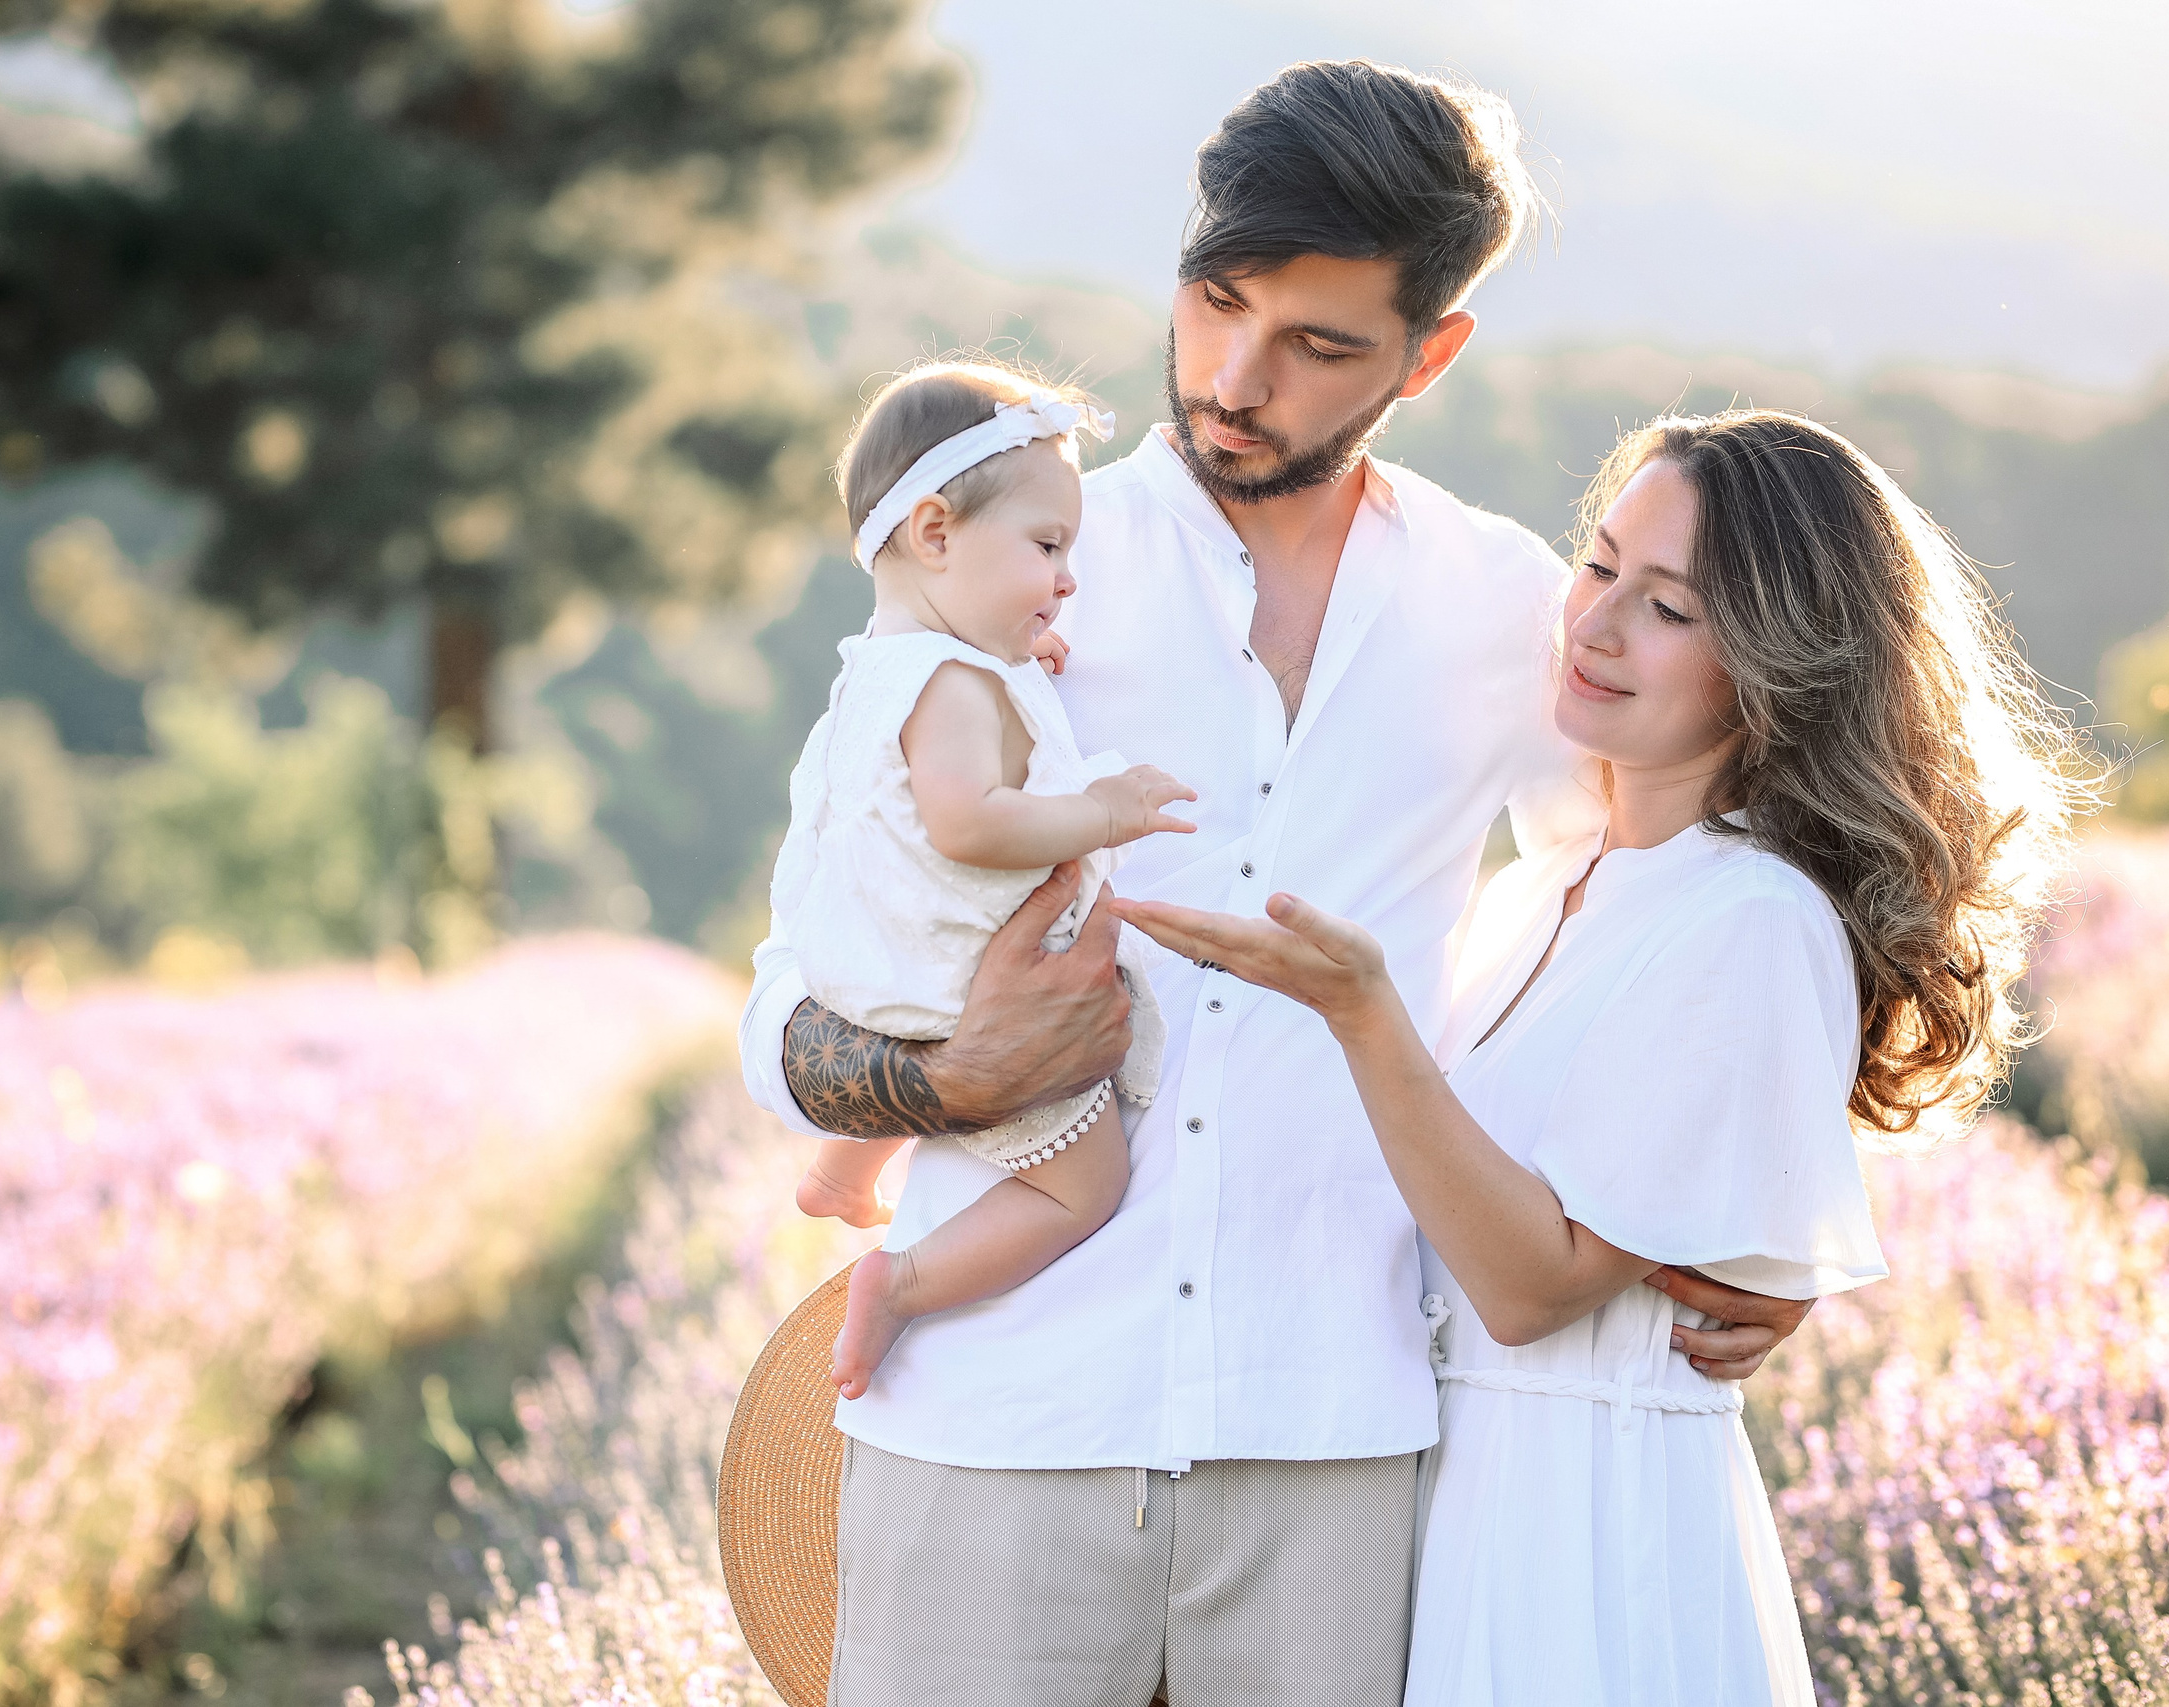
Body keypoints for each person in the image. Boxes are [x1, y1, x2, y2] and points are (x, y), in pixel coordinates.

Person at [740, 60, 1820, 1707]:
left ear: (1429, 353)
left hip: (1339, 1449)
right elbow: (786, 998)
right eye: (1217, 302)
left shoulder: (1504, 607)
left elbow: (1641, 930)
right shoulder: (1017, 576)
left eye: (1318, 344)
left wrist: (1734, 1218)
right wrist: (944, 1077)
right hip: (995, 1420)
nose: (1234, 380)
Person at [1117, 408, 2086, 1705]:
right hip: (1457, 1498)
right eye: (1600, 565)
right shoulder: (1549, 886)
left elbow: (1532, 1287)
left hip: (1585, 1533)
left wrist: (1362, 1012)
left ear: (1777, 662)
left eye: (1670, 606)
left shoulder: (1752, 915)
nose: (1597, 623)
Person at [778, 358, 1194, 1399]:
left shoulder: (884, 668)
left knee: (916, 1035)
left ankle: (842, 1168)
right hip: (967, 991)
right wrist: (1105, 811)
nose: (1067, 579)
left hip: (877, 978)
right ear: (934, 533)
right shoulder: (955, 683)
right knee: (1084, 1188)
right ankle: (904, 1283)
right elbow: (967, 822)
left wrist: (1018, 664)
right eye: (1047, 547)